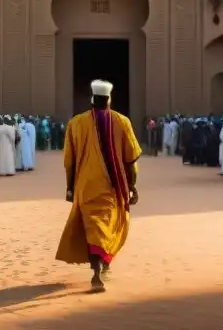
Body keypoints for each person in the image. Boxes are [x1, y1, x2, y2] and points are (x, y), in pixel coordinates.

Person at [56, 79, 141, 294]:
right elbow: (131, 160)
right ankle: (100, 270)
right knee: (108, 225)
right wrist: (132, 185)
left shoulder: (76, 123)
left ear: (92, 100)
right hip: (113, 188)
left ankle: (96, 271)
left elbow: (69, 162)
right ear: (109, 100)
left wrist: (69, 187)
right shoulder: (122, 122)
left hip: (85, 187)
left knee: (92, 228)